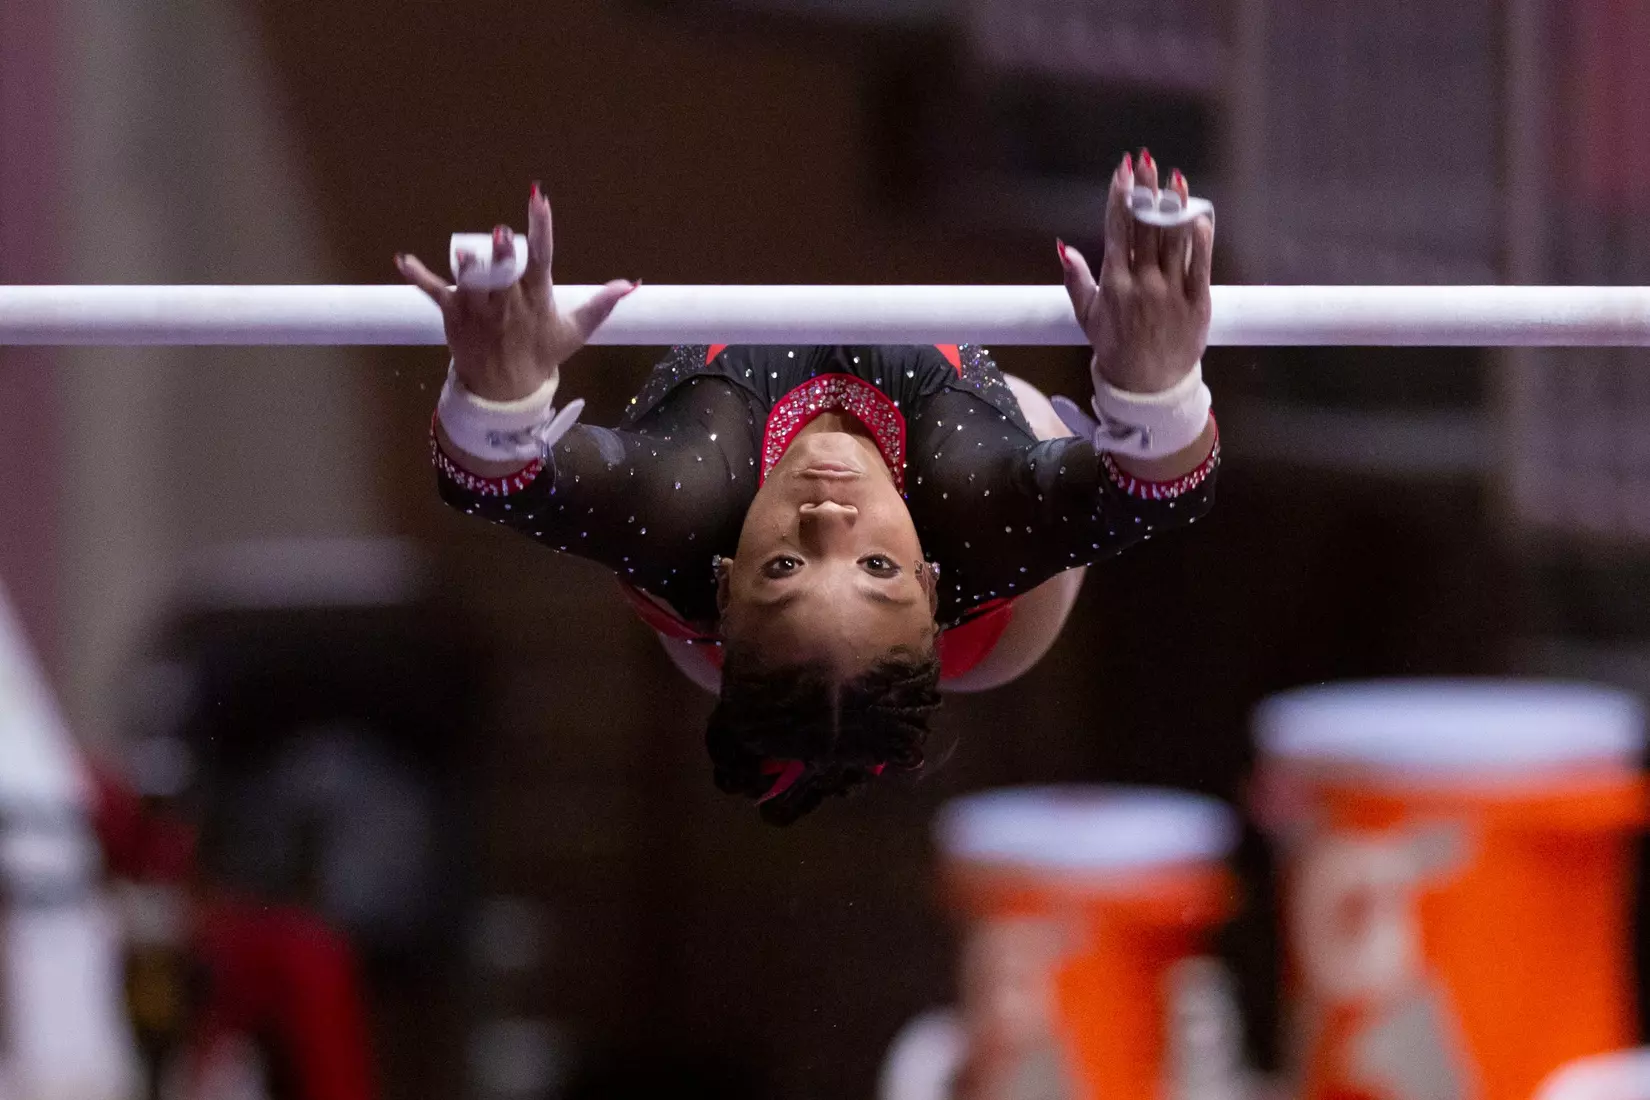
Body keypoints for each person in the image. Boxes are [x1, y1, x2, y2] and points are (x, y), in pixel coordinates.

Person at [396, 149, 1219, 824]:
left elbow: (498, 482)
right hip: (996, 625)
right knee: (1061, 463)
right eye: (879, 569)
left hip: (729, 612)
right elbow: (1161, 491)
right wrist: (1153, 388)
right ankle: (1020, 502)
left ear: (724, 587)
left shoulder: (682, 513)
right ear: (931, 581)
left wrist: (497, 393)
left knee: (716, 572)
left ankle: (799, 678)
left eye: (784, 569)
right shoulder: (974, 518)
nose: (830, 521)